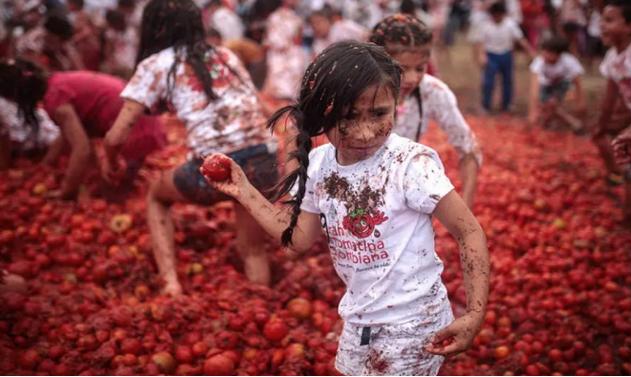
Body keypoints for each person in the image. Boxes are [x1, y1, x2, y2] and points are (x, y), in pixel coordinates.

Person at [202, 41, 489, 375]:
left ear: (396, 105)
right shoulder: (320, 164)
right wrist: (243, 191)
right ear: (322, 113)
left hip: (415, 320)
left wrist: (474, 313)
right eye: (348, 118)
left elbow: (468, 231)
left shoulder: (409, 164)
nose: (365, 132)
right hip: (358, 319)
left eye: (380, 114)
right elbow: (297, 239)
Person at [103, 0, 278, 296]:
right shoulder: (225, 55)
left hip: (215, 168)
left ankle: (171, 283)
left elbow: (116, 136)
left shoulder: (157, 64)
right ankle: (261, 300)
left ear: (154, 28)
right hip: (264, 158)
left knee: (157, 195)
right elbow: (261, 108)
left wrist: (109, 161)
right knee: (253, 248)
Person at [0, 58, 166, 199]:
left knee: (114, 191)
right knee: (118, 184)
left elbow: (82, 148)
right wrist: (46, 164)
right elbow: (68, 135)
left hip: (133, 128)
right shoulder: (58, 82)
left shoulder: (55, 101)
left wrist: (67, 190)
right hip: (141, 117)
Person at [370, 14, 481, 207]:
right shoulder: (358, 91)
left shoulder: (432, 91)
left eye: (420, 69)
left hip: (403, 189)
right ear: (377, 62)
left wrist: (466, 213)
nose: (412, 78)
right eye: (402, 69)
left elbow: (468, 149)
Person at [596, 0, 631, 229]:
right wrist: (601, 126)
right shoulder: (613, 57)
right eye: (602, 19)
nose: (602, 25)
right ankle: (629, 217)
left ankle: (629, 218)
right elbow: (610, 97)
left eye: (610, 20)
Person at [469, 1, 535, 113]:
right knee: (488, 82)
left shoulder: (510, 25)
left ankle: (506, 104)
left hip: (506, 54)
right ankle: (486, 105)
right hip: (491, 55)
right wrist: (481, 56)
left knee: (507, 81)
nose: (497, 17)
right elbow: (480, 43)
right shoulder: (486, 26)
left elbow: (520, 39)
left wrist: (530, 52)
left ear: (503, 14)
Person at [0, 59, 59, 170]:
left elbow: (4, 136)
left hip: (34, 152)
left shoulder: (5, 104)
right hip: (42, 147)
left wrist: (4, 169)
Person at [528, 35, 585, 131]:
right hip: (546, 84)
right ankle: (573, 123)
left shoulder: (569, 61)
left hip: (562, 83)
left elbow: (578, 83)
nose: (544, 54)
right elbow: (534, 88)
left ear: (558, 54)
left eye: (548, 52)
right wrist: (532, 111)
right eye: (544, 51)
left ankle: (570, 123)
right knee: (544, 106)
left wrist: (580, 102)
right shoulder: (539, 61)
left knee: (551, 104)